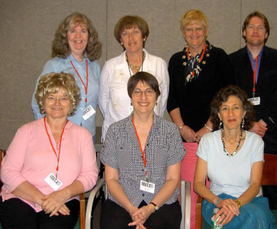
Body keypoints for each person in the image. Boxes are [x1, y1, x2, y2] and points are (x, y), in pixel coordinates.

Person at [0, 72, 98, 229]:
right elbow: (8, 172)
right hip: (21, 197)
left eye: (64, 98)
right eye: (51, 97)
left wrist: (62, 195)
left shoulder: (83, 135)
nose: (57, 103)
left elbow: (90, 175)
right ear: (42, 101)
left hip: (63, 200)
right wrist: (42, 200)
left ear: (72, 102)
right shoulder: (26, 131)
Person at [167, 9, 233, 228]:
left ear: (206, 30)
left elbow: (226, 98)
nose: (194, 32)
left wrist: (208, 127)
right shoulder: (176, 60)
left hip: (214, 136)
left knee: (214, 191)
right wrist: (181, 127)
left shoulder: (219, 57)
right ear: (183, 33)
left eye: (198, 28)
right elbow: (171, 100)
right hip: (185, 138)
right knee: (187, 192)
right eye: (189, 29)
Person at [100, 72, 185, 229]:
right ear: (130, 96)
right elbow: (111, 179)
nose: (143, 97)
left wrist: (151, 207)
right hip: (123, 200)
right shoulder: (115, 131)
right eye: (137, 91)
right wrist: (131, 209)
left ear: (157, 96)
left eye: (149, 91)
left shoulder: (171, 131)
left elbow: (173, 179)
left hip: (160, 201)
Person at [229, 11, 277, 212]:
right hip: (241, 135)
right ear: (243, 32)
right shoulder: (231, 61)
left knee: (275, 194)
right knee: (242, 192)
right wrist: (248, 124)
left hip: (272, 135)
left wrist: (264, 123)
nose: (255, 31)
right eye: (251, 27)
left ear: (266, 34)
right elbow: (230, 98)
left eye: (260, 27)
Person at [194, 85, 277, 229]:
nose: (231, 113)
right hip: (216, 202)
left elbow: (255, 184)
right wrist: (219, 202)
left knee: (253, 216)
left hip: (250, 202)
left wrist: (236, 205)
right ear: (219, 115)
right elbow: (198, 183)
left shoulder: (255, 142)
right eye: (225, 108)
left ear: (244, 112)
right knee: (252, 219)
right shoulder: (207, 141)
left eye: (236, 108)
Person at [31, 12, 102, 141]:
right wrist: (46, 132)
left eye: (83, 31)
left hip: (87, 134)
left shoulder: (94, 66)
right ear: (65, 36)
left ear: (89, 36)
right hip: (60, 134)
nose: (78, 36)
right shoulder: (54, 65)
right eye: (73, 31)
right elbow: (37, 102)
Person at [98, 15, 169, 142]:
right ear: (121, 40)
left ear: (144, 36)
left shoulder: (159, 65)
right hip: (117, 138)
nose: (131, 37)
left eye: (135, 32)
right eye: (125, 33)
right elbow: (103, 102)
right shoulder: (110, 66)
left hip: (151, 137)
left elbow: (162, 101)